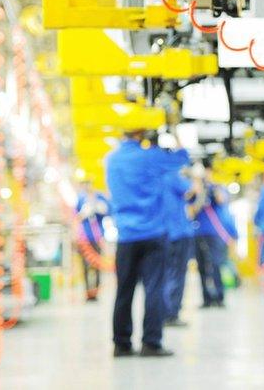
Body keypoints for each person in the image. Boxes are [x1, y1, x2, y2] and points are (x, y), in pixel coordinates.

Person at [105, 129, 189, 358]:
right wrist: (173, 133)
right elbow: (183, 157)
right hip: (153, 234)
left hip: (126, 237)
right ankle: (151, 343)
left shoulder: (111, 160)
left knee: (124, 290)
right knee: (154, 289)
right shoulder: (150, 156)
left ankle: (121, 344)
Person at [189, 163, 237, 308]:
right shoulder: (196, 191)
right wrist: (198, 189)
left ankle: (220, 297)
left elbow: (222, 199)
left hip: (214, 234)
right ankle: (206, 298)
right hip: (198, 233)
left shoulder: (217, 187)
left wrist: (212, 186)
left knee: (216, 264)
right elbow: (191, 210)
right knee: (202, 266)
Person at [163, 162, 193, 327]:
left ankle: (164, 312)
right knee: (178, 274)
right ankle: (172, 314)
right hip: (179, 232)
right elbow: (192, 191)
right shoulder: (173, 175)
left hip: (163, 233)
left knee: (166, 274)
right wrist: (194, 175)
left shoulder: (156, 177)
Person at [74, 178, 110, 302]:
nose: (86, 186)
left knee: (98, 265)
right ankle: (87, 292)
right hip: (84, 239)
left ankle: (96, 292)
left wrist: (98, 207)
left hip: (97, 238)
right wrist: (84, 212)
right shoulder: (80, 199)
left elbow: (108, 211)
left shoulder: (100, 197)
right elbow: (76, 216)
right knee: (85, 266)